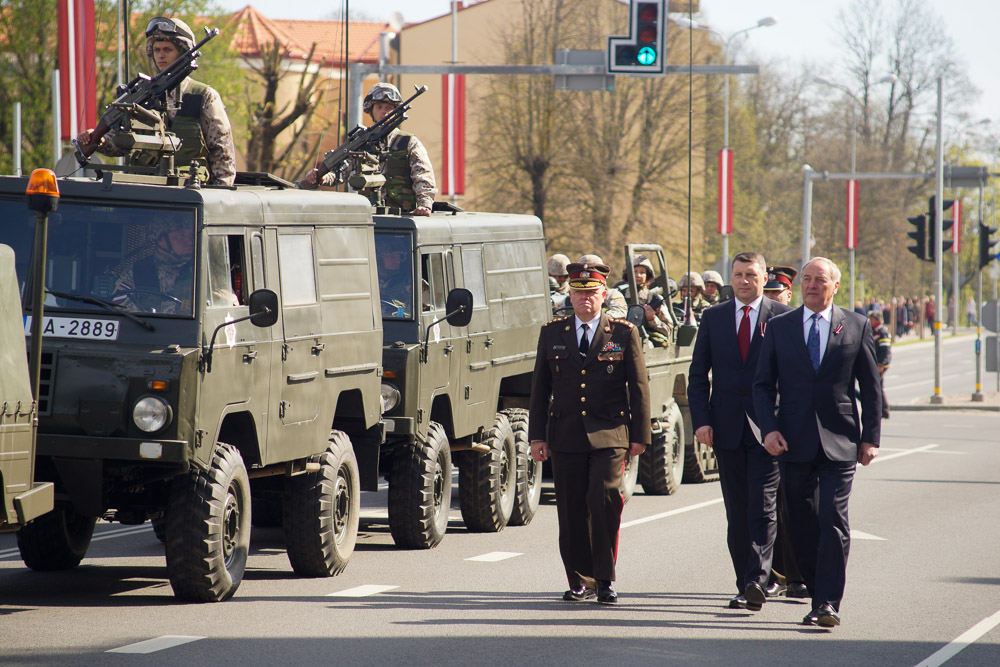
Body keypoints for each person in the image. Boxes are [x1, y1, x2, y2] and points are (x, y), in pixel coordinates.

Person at [753, 257, 881, 629]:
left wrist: (870, 437)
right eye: (806, 279)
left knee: (833, 521)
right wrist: (769, 429)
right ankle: (813, 586)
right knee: (802, 524)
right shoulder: (780, 327)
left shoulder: (855, 325)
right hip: (792, 442)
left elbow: (870, 388)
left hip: (840, 441)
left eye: (819, 279)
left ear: (834, 286)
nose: (811, 285)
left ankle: (827, 603)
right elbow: (762, 385)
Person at [528, 260, 651, 606]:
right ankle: (579, 579)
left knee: (604, 498)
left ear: (603, 295)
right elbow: (540, 389)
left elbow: (639, 388)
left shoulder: (624, 332)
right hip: (565, 433)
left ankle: (605, 577)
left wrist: (640, 436)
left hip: (610, 432)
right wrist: (537, 437)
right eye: (578, 293)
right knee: (570, 509)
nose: (585, 300)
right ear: (570, 293)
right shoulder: (552, 333)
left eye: (591, 293)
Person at [687, 251, 793, 612]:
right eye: (738, 274)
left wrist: (784, 424)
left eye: (751, 274)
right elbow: (698, 374)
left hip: (769, 431)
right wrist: (700, 420)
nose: (744, 281)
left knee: (762, 508)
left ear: (764, 278)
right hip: (726, 429)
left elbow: (793, 378)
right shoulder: (713, 318)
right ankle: (742, 581)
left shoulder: (782, 317)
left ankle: (757, 580)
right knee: (737, 512)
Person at [76, 17, 236, 187]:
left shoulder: (203, 96)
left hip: (190, 192)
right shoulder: (142, 96)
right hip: (146, 191)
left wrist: (220, 193)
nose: (160, 55)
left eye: (167, 49)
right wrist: (97, 140)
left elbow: (222, 151)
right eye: (157, 49)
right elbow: (122, 144)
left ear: (182, 53)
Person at [303, 83, 437, 215]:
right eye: (379, 107)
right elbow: (342, 171)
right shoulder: (361, 142)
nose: (384, 111)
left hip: (403, 216)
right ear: (371, 110)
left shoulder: (408, 143)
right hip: (368, 216)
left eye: (389, 107)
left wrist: (424, 205)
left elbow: (423, 176)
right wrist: (321, 177)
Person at [113, 223, 195, 313]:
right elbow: (119, 311)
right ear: (161, 240)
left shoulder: (198, 273)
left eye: (191, 236)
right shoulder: (136, 272)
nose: (190, 241)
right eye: (180, 236)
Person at [618, 254, 673, 343]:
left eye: (642, 272)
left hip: (645, 343)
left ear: (647, 275)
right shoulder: (619, 296)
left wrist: (652, 319)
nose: (638, 275)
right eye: (634, 271)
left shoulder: (654, 299)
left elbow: (669, 331)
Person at [869, 310, 892, 419]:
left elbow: (885, 349)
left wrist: (881, 364)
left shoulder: (882, 332)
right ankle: (881, 409)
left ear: (876, 320)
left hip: (880, 365)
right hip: (876, 363)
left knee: (878, 387)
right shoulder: (875, 331)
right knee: (876, 386)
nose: (869, 321)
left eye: (871, 319)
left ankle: (884, 410)